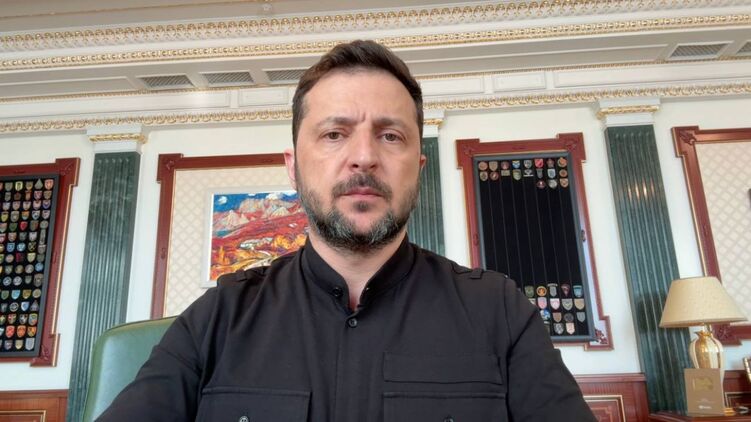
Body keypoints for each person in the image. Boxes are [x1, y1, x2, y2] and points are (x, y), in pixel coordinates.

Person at [98, 40, 596, 421]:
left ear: (418, 168)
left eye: (390, 135)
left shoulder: (500, 311)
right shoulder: (218, 316)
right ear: (293, 167)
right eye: (334, 134)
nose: (363, 156)